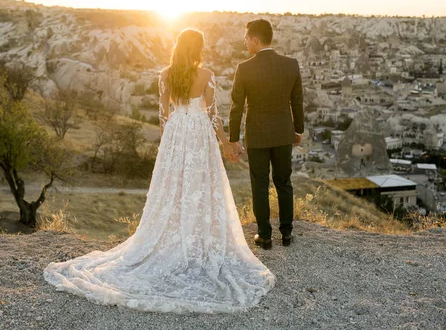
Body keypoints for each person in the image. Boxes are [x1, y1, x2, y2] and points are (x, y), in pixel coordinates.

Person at [43, 28, 275, 314]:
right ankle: (197, 237)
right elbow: (213, 114)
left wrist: (166, 149)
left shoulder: (165, 75)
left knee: (173, 186)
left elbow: (164, 117)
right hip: (199, 133)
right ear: (199, 49)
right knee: (200, 186)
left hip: (177, 134)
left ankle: (172, 237)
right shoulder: (207, 75)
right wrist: (226, 142)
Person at [228, 19, 304, 250]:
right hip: (283, 133)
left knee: (259, 185)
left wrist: (233, 138)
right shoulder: (291, 65)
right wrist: (298, 129)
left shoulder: (244, 68)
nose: (244, 44)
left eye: (245, 40)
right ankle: (287, 232)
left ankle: (264, 235)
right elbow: (297, 101)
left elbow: (236, 106)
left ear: (255, 40)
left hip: (257, 135)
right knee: (284, 182)